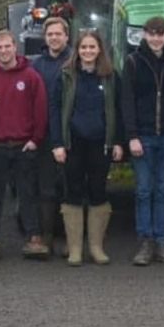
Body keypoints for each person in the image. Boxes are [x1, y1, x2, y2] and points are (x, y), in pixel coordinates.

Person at [0, 29, 51, 260]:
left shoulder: (31, 76)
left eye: (7, 46)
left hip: (23, 145)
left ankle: (34, 237)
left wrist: (35, 139)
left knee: (28, 194)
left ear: (15, 47)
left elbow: (41, 110)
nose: (4, 51)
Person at [50, 30, 122, 266]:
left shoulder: (111, 77)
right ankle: (75, 249)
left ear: (100, 50)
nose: (88, 52)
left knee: (98, 191)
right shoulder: (65, 75)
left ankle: (96, 247)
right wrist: (58, 143)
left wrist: (118, 141)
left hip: (100, 143)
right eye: (83, 48)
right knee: (73, 191)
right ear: (77, 50)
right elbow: (54, 111)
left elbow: (118, 110)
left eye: (92, 47)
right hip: (73, 143)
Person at [123, 16, 164, 265]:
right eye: (152, 33)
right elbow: (127, 102)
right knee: (144, 190)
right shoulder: (133, 62)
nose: (156, 38)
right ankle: (145, 242)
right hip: (143, 136)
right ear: (144, 35)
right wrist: (132, 136)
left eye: (161, 33)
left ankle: (161, 242)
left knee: (162, 190)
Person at [30, 16, 72, 255]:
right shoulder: (36, 65)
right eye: (50, 34)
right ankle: (46, 236)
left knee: (70, 186)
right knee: (45, 188)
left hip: (70, 133)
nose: (54, 38)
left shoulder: (75, 60)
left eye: (58, 34)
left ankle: (70, 237)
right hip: (44, 133)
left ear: (66, 36)